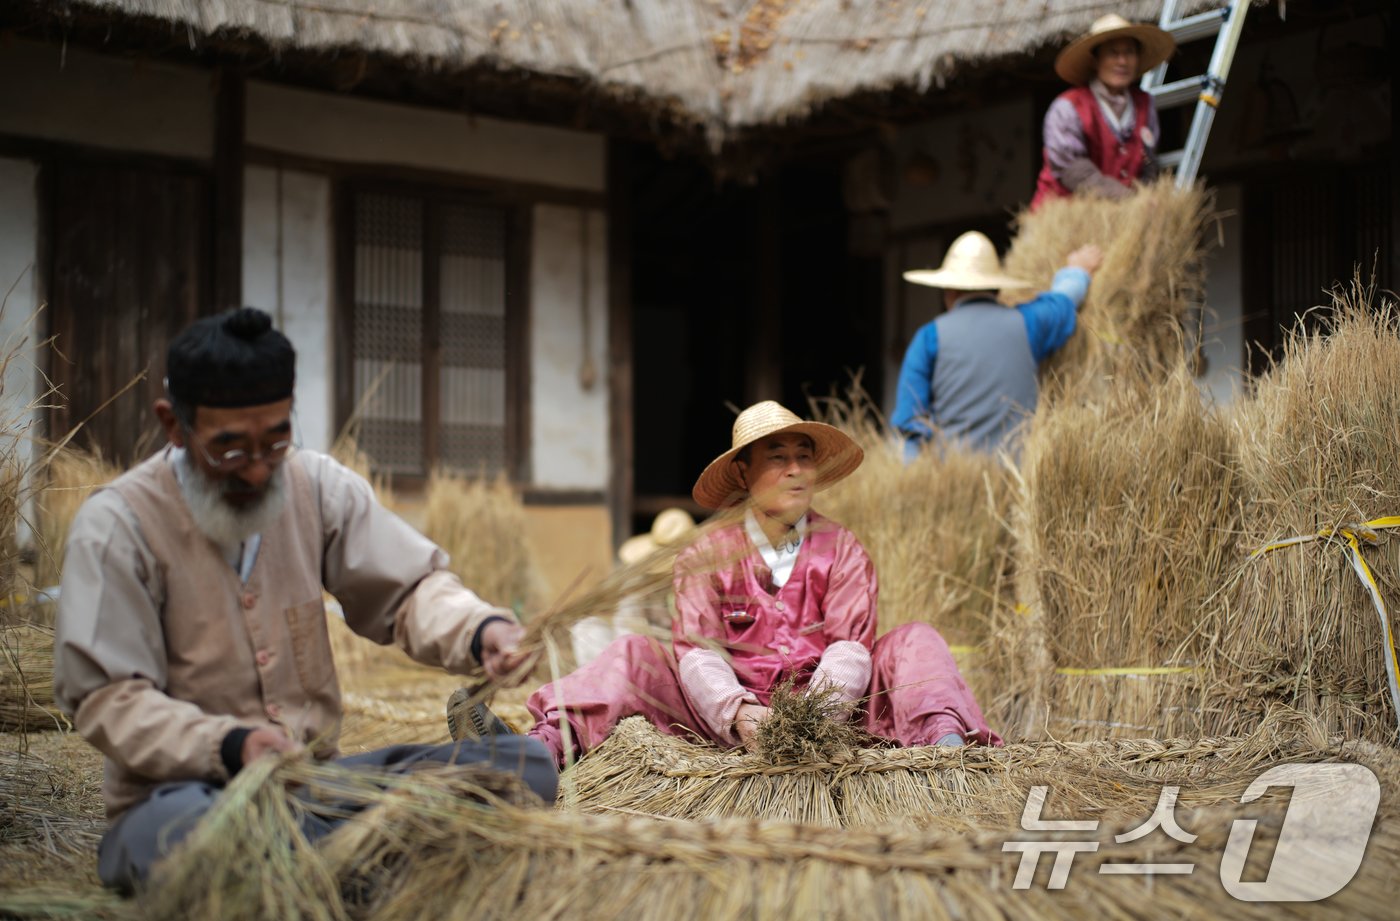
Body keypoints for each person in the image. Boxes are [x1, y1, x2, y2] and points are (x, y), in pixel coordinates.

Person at [53, 307, 556, 893]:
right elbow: (108, 697)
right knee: (180, 849)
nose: (260, 470)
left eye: (276, 440)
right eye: (231, 450)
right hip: (185, 801)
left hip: (317, 787)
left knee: (526, 768)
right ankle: (364, 855)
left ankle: (336, 853)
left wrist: (481, 630)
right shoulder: (118, 526)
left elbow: (409, 591)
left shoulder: (316, 487)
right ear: (174, 426)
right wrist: (230, 745)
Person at [522, 400, 1000, 767]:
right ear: (744, 473)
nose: (795, 469)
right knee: (634, 655)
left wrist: (813, 719)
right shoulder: (706, 553)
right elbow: (698, 651)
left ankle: (948, 755)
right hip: (724, 717)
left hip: (835, 714)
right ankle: (540, 751)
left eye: (803, 457)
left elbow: (850, 647)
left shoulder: (843, 548)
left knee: (915, 639)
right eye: (778, 458)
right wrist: (740, 713)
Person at [892, 231, 1103, 456]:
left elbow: (909, 424)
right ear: (997, 290)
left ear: (949, 292)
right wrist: (1077, 270)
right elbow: (1064, 301)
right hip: (1019, 479)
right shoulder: (1029, 323)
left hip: (955, 481)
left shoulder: (928, 337)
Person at [1031, 14, 1176, 209]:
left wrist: (1145, 201)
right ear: (1095, 60)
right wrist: (1129, 199)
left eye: (1129, 52)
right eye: (1113, 53)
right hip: (1068, 216)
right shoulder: (1068, 107)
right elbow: (1073, 171)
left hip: (1123, 218)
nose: (1122, 61)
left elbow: (1148, 165)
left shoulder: (1144, 104)